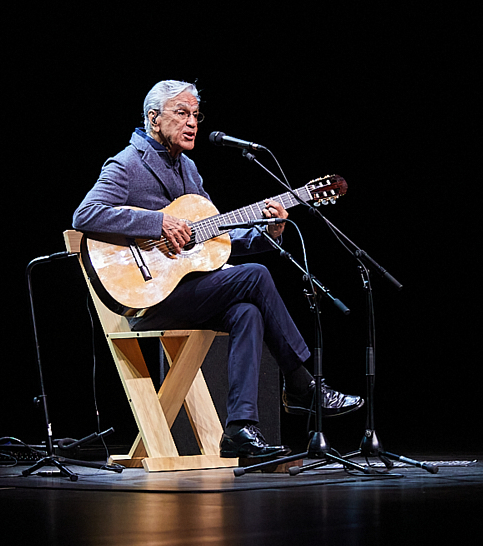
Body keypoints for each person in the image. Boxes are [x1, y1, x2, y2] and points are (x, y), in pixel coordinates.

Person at [72, 80, 363, 459]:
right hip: (148, 296)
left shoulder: (189, 170)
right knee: (255, 276)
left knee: (247, 311)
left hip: (188, 290)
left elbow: (215, 239)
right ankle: (303, 384)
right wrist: (156, 223)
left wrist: (269, 232)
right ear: (153, 118)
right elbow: (86, 214)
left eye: (195, 114)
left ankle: (241, 428)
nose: (192, 122)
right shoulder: (127, 163)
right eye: (182, 113)